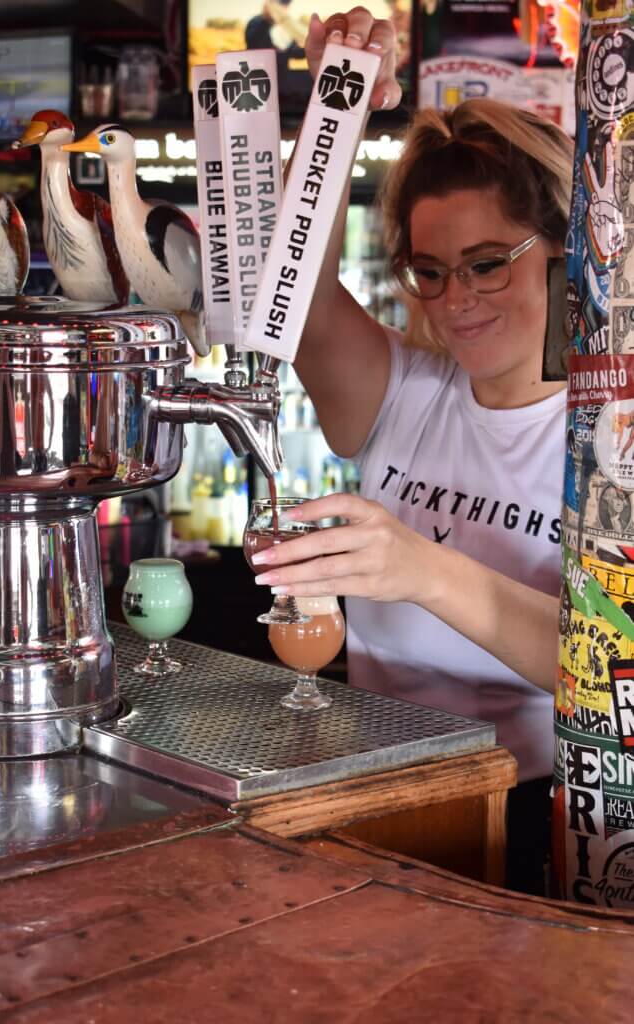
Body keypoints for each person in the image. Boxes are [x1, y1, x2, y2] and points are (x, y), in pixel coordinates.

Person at [250, 8, 573, 895]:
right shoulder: (406, 389)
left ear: (564, 252)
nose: (453, 300)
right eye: (428, 271)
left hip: (535, 823)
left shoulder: (611, 439)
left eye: (485, 263)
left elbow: (612, 670)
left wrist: (418, 568)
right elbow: (296, 286)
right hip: (369, 787)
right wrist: (334, 112)